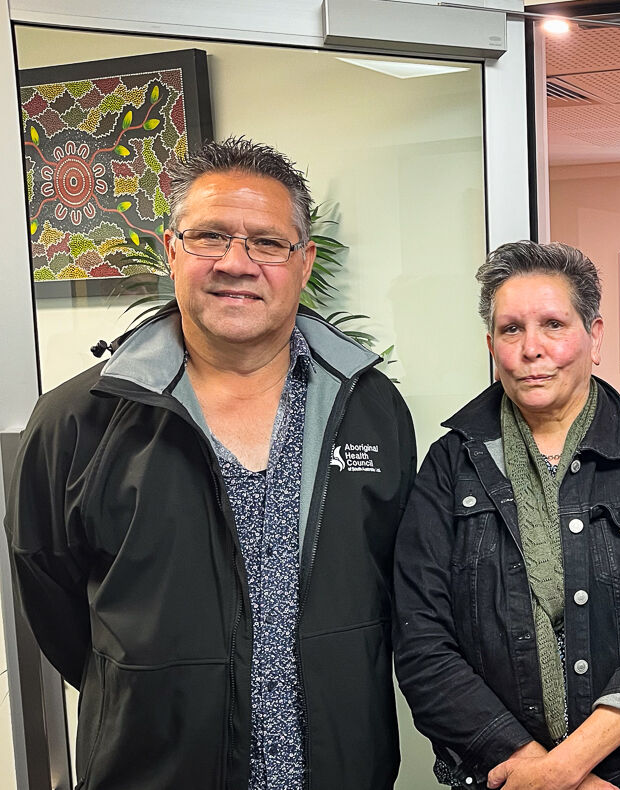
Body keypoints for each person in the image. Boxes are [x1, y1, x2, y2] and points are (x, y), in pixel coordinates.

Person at [4, 137, 416, 790]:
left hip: (342, 767)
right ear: (172, 250)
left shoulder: (369, 408)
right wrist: (157, 684)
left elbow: (394, 583)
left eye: (267, 242)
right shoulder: (77, 421)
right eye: (210, 237)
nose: (237, 263)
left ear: (303, 262)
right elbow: (56, 609)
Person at [394, 241, 620, 790]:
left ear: (595, 337)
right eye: (511, 329)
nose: (531, 348)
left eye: (553, 324)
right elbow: (422, 641)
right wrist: (536, 772)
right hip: (500, 773)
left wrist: (565, 772)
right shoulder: (449, 466)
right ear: (491, 344)